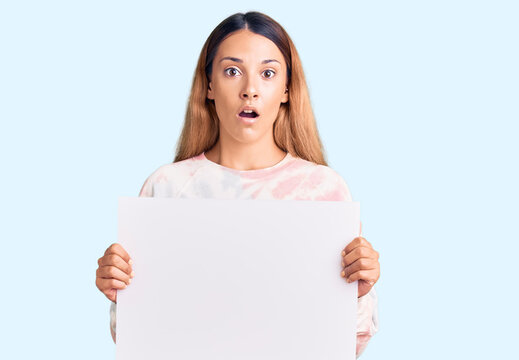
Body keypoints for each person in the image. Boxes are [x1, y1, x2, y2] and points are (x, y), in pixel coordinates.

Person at [93, 11, 380, 358]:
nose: (250, 90)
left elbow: (349, 345)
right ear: (210, 85)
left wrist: (358, 292)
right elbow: (131, 337)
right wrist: (121, 292)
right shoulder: (167, 187)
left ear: (287, 89)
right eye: (232, 71)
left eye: (268, 73)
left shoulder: (323, 191)